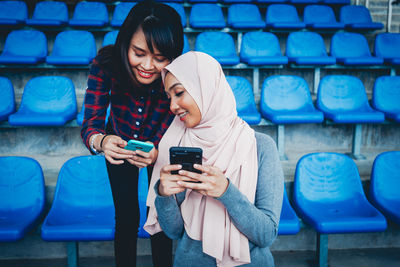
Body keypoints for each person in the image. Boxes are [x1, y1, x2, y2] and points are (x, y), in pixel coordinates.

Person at [144, 51, 284, 267]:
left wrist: (226, 191)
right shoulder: (178, 145)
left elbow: (266, 234)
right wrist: (163, 194)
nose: (172, 106)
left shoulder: (261, 146)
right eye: (169, 97)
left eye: (179, 93)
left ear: (207, 89)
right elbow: (173, 232)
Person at [80, 1, 183, 266]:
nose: (148, 66)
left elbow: (177, 118)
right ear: (125, 43)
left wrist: (158, 150)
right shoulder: (106, 64)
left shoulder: (181, 72)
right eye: (138, 52)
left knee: (160, 218)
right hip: (119, 141)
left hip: (161, 146)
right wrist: (101, 141)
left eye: (160, 58)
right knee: (125, 217)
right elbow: (91, 122)